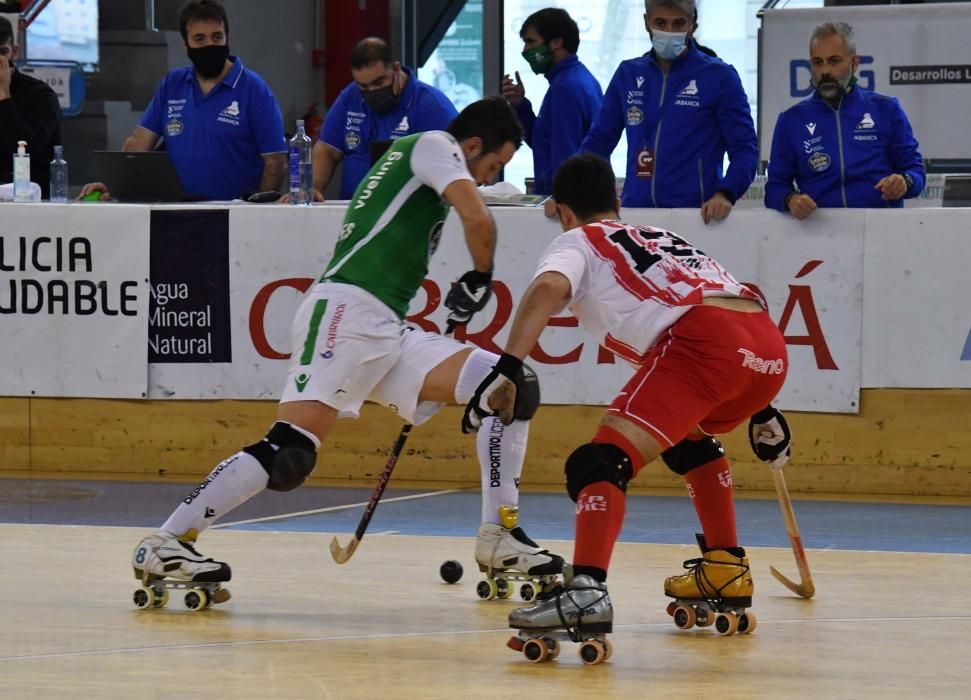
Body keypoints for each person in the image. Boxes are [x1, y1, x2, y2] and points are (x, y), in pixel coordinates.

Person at [131, 97, 564, 598]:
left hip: (385, 327)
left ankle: (499, 534)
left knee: (509, 386)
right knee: (289, 453)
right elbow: (479, 220)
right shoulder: (433, 144)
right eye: (493, 165)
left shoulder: (419, 161)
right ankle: (166, 541)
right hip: (344, 313)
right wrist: (480, 277)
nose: (489, 179)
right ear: (470, 146)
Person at [462, 153, 791, 660]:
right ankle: (725, 568)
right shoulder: (658, 237)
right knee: (688, 439)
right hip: (766, 346)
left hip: (705, 344)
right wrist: (764, 406)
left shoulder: (578, 240)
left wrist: (507, 367)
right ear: (617, 202)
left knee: (599, 462)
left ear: (562, 210)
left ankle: (586, 591)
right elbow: (744, 297)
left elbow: (548, 288)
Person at [80, 0, 285, 201]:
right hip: (177, 213)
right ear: (185, 42)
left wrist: (259, 210)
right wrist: (113, 184)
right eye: (199, 39)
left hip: (235, 216)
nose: (209, 45)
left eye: (216, 37)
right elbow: (136, 146)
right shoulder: (172, 84)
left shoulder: (253, 89)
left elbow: (275, 162)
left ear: (227, 38)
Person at [579, 0, 758, 223]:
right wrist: (570, 192)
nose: (669, 31)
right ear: (646, 22)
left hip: (698, 217)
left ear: (693, 24)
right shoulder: (628, 74)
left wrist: (726, 193)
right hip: (637, 213)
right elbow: (598, 142)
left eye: (678, 23)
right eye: (661, 22)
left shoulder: (720, 77)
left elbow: (745, 148)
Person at [764, 22, 925, 219]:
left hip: (880, 232)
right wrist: (790, 199)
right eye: (818, 62)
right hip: (818, 234)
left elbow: (916, 172)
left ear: (854, 63)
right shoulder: (791, 121)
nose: (825, 71)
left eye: (834, 61)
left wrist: (904, 181)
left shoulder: (887, 109)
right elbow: (774, 188)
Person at [310, 37, 458, 201]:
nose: (372, 91)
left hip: (406, 214)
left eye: (379, 82)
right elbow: (327, 150)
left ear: (395, 68)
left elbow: (454, 167)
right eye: (363, 86)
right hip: (352, 208)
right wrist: (312, 188)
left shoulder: (432, 107)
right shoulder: (351, 97)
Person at [501, 8, 602, 196]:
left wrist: (559, 202)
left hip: (567, 204)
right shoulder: (578, 79)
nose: (525, 51)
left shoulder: (565, 88)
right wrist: (520, 105)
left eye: (531, 42)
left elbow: (566, 157)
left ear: (556, 43)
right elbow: (545, 144)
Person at [0, 15, 62, 198]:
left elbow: (28, 149)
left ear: (15, 52)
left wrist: (4, 96)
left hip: (30, 197)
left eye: (3, 53)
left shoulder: (40, 95)